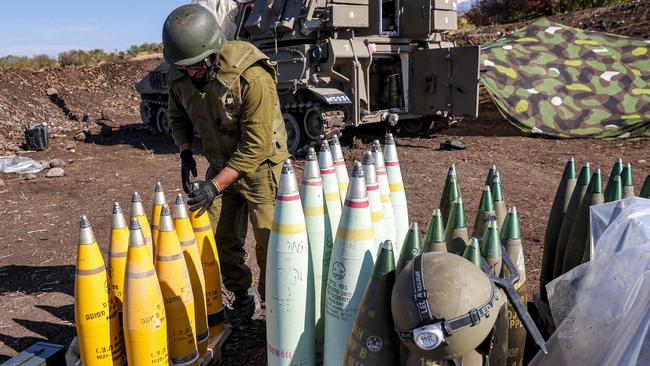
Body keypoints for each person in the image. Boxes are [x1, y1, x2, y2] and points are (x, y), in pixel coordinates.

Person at [162, 4, 290, 326]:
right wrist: (185, 151)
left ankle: (275, 311)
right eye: (184, 67)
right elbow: (177, 115)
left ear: (212, 51)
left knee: (271, 242)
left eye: (195, 66)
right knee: (215, 238)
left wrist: (214, 186)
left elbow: (256, 145)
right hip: (219, 164)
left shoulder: (252, 77)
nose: (190, 72)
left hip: (261, 169)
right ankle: (242, 296)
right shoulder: (182, 75)